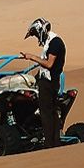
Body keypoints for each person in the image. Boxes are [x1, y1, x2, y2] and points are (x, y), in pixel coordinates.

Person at [20, 17, 66, 148]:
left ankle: (50, 144)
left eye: (35, 34)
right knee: (51, 112)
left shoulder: (55, 42)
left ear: (41, 30)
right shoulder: (49, 42)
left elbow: (49, 64)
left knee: (47, 113)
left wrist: (32, 57)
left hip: (49, 83)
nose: (36, 37)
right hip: (47, 81)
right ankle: (54, 142)